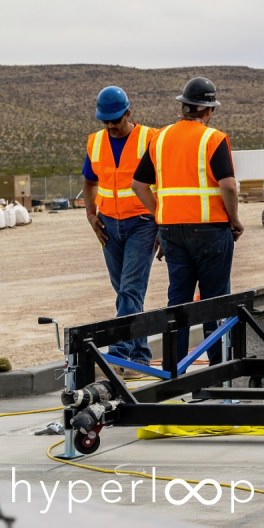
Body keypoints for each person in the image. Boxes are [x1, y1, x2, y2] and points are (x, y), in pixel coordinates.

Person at [132, 77, 244, 365]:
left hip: (171, 232)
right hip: (211, 231)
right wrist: (234, 220)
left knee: (178, 302)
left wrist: (161, 213)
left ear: (184, 107)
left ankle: (173, 370)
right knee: (214, 303)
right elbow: (229, 186)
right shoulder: (214, 139)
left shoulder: (160, 138)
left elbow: (139, 185)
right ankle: (219, 372)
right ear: (208, 111)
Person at [83, 86, 158, 379]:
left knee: (130, 289)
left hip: (142, 222)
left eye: (116, 119)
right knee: (126, 293)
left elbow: (162, 182)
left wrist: (161, 222)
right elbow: (89, 181)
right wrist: (91, 214)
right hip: (109, 225)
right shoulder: (96, 142)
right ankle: (140, 357)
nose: (111, 126)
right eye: (106, 121)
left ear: (129, 112)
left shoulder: (149, 138)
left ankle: (121, 356)